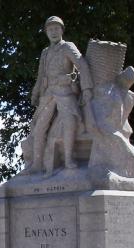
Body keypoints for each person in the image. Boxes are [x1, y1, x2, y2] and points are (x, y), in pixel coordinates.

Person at [27, 16, 93, 173]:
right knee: (39, 127)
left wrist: (87, 89)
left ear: (62, 30)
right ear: (46, 33)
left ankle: (69, 159)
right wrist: (35, 93)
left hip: (65, 91)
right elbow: (41, 75)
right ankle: (37, 164)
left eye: (56, 29)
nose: (53, 32)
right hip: (48, 93)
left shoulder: (68, 47)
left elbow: (82, 65)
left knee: (70, 122)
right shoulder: (45, 53)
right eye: (50, 30)